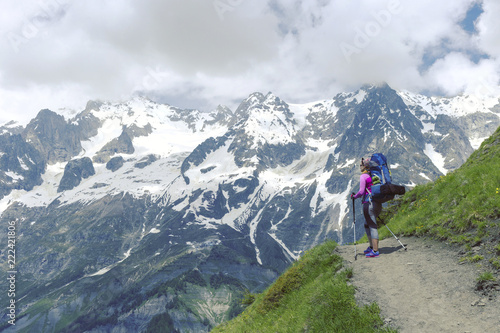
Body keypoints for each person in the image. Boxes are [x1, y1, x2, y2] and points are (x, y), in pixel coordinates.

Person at [350, 158, 382, 258]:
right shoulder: (373, 175)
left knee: (372, 225)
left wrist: (354, 197)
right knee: (367, 224)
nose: (360, 166)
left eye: (361, 165)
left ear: (365, 166)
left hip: (368, 203)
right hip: (377, 203)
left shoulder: (363, 176)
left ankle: (375, 250)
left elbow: (361, 191)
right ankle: (372, 246)